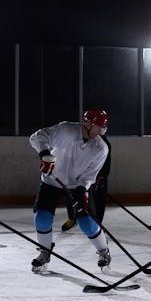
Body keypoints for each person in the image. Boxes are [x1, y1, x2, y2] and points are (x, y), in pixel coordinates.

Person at [28, 109, 111, 273]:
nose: (99, 132)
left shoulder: (101, 148)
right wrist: (45, 154)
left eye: (103, 129)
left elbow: (89, 174)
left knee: (86, 222)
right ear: (87, 123)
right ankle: (45, 251)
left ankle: (104, 251)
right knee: (42, 218)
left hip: (76, 186)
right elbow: (37, 137)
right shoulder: (65, 130)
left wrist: (82, 190)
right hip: (51, 180)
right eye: (97, 127)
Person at [61, 133, 111, 231]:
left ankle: (98, 223)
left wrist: (101, 177)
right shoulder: (79, 139)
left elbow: (106, 163)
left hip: (97, 176)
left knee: (98, 199)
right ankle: (72, 218)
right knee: (72, 196)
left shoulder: (103, 144)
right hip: (78, 175)